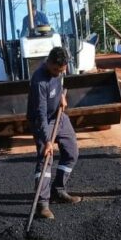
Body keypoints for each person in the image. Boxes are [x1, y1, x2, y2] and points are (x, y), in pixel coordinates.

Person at [27, 46, 81, 220]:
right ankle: (42, 204)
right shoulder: (39, 81)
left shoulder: (58, 72)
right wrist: (47, 140)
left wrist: (61, 98)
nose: (59, 72)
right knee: (45, 158)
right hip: (42, 120)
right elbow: (41, 114)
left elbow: (58, 84)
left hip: (59, 115)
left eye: (62, 70)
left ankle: (58, 189)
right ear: (49, 63)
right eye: (57, 69)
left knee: (72, 152)